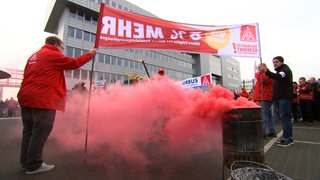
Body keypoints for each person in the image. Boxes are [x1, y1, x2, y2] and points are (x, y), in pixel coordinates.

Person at [17, 36, 96, 174]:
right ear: (55, 44)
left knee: (28, 131)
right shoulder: (52, 54)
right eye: (62, 47)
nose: (62, 50)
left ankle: (26, 163)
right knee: (39, 132)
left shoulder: (33, 56)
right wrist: (91, 54)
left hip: (26, 98)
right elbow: (74, 63)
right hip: (42, 99)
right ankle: (34, 164)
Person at [260, 56, 293, 147]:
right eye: (273, 62)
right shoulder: (280, 71)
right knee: (285, 118)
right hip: (279, 98)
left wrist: (266, 70)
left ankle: (286, 139)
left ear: (282, 62)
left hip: (284, 98)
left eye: (277, 62)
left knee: (285, 118)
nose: (275, 63)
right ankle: (288, 138)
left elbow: (278, 76)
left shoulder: (285, 70)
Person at [252, 63, 275, 138]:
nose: (258, 69)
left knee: (263, 115)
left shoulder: (267, 74)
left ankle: (262, 132)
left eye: (260, 67)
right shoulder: (263, 74)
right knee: (268, 115)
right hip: (261, 97)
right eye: (258, 67)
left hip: (265, 97)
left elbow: (263, 80)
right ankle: (271, 131)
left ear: (264, 67)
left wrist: (258, 74)